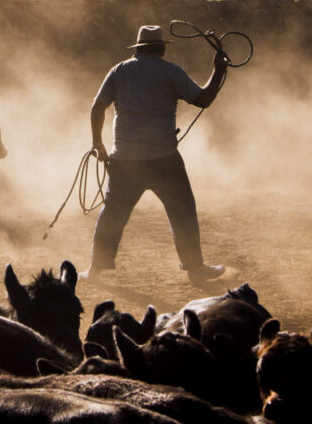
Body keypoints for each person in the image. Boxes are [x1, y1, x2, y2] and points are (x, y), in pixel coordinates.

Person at [81, 24, 229, 283]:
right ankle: (195, 270)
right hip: (163, 159)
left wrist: (98, 144)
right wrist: (218, 70)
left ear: (138, 48)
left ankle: (95, 270)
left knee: (113, 213)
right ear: (161, 48)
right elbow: (203, 99)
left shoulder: (119, 71)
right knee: (182, 211)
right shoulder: (171, 71)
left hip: (125, 158)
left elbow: (98, 106)